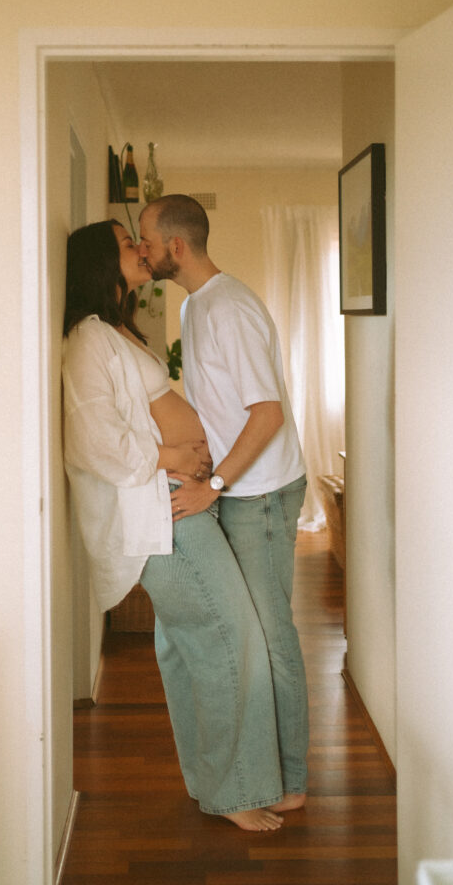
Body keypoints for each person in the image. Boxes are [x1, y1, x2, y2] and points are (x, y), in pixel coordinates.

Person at [62, 219, 287, 831]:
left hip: (175, 498)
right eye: (125, 241)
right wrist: (175, 459)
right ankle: (235, 791)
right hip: (163, 506)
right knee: (227, 641)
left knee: (193, 647)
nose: (140, 248)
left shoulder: (113, 331)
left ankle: (213, 780)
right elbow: (92, 442)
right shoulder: (87, 340)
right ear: (99, 264)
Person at [139, 196, 309, 812]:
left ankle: (291, 782)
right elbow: (223, 404)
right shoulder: (197, 305)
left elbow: (267, 414)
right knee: (253, 635)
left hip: (260, 495)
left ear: (175, 247)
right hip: (242, 488)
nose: (143, 249)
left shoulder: (228, 308)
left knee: (271, 636)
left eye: (146, 240)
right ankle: (269, 773)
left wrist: (216, 485)